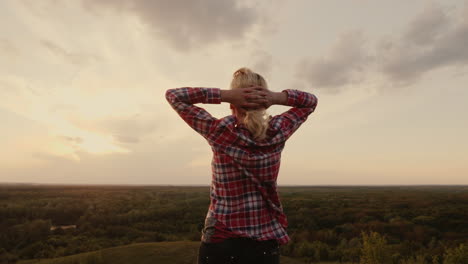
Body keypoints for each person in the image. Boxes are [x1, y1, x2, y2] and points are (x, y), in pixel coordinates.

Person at [165, 67, 318, 264]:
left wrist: (225, 95)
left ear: (233, 104)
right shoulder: (280, 130)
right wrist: (276, 97)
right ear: (265, 104)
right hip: (264, 240)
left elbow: (174, 96)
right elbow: (310, 102)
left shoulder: (219, 131)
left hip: (221, 238)